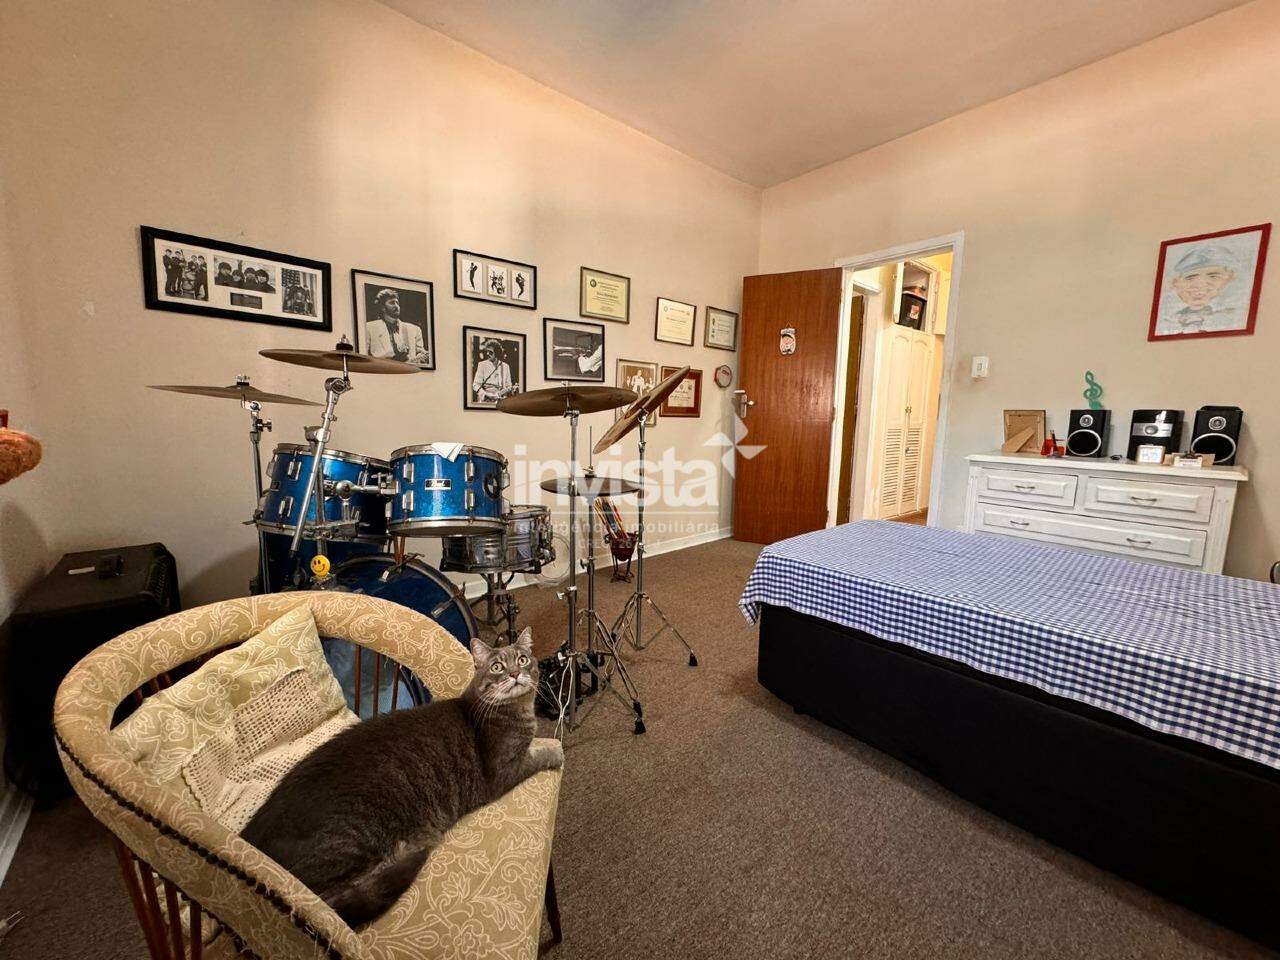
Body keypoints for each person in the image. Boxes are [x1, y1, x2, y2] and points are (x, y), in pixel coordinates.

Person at [1161, 244, 1244, 335]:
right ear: (1176, 283)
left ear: (1229, 279)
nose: (1200, 285)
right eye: (1190, 278)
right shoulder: (1170, 319)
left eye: (1213, 277)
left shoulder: (1234, 315)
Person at [365, 288, 427, 364]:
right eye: (392, 303)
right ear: (383, 308)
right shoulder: (369, 328)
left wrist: (422, 356)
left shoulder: (414, 329)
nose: (396, 306)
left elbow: (421, 353)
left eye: (397, 303)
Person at [471, 338, 516, 403]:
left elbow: (509, 386)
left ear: (497, 353)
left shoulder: (505, 366)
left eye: (490, 352)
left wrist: (506, 391)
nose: (487, 354)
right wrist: (485, 394)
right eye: (487, 351)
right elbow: (475, 385)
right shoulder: (482, 365)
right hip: (485, 399)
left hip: (501, 399)